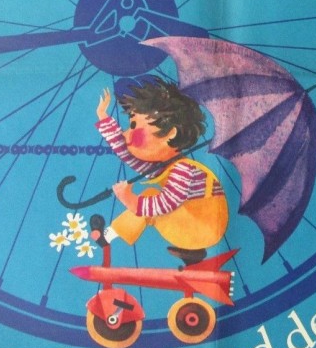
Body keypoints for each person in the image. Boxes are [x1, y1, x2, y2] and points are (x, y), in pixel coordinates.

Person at [90, 78, 228, 265]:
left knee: (149, 195)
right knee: (148, 199)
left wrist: (129, 199)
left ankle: (107, 237)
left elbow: (167, 204)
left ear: (170, 133)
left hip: (203, 228)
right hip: (192, 224)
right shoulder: (166, 165)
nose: (127, 134)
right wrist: (104, 118)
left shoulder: (183, 169)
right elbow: (128, 155)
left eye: (134, 126)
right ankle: (191, 254)